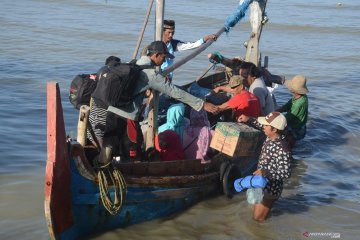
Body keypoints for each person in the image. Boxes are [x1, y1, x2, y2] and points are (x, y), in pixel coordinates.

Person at [103, 41, 219, 161]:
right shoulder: (151, 75)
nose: (164, 61)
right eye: (164, 57)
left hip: (111, 112)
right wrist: (201, 104)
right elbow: (175, 92)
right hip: (127, 119)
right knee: (134, 152)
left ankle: (103, 171)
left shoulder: (134, 64)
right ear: (156, 55)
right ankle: (130, 175)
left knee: (109, 147)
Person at [238, 112, 291, 221]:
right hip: (260, 183)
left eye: (266, 125)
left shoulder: (282, 148)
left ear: (274, 129)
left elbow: (286, 173)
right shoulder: (270, 135)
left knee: (257, 219)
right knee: (254, 210)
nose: (263, 127)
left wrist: (266, 172)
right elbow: (260, 125)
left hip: (271, 189)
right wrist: (248, 118)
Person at [277, 75, 309, 149]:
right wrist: (279, 110)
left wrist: (278, 121)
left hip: (297, 126)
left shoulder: (299, 103)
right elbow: (288, 105)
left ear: (293, 90)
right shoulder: (300, 96)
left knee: (291, 141)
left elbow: (290, 116)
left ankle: (289, 152)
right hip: (297, 123)